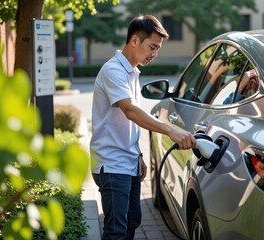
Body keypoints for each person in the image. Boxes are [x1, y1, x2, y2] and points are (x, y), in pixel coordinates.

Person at [89, 15, 196, 240]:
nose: (155, 54)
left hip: (127, 163)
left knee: (132, 222)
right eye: (153, 47)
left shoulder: (132, 72)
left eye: (158, 49)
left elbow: (126, 121)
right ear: (135, 41)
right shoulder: (114, 71)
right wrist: (170, 130)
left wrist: (138, 154)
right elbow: (130, 111)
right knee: (116, 231)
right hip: (111, 165)